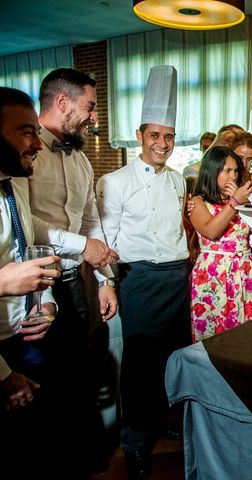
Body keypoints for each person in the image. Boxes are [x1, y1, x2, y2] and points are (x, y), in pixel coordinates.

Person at [14, 68, 118, 474]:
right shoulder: (23, 155)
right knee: (43, 382)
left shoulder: (80, 159)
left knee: (82, 373)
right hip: (35, 288)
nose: (93, 117)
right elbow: (28, 225)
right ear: (63, 103)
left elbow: (90, 220)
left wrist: (107, 279)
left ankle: (83, 459)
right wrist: (82, 246)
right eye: (89, 108)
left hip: (78, 283)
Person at [96, 66, 191, 479]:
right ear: (139, 136)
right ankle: (134, 443)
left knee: (174, 359)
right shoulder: (114, 182)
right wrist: (108, 283)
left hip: (177, 279)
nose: (162, 144)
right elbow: (103, 239)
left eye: (168, 136)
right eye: (154, 135)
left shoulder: (179, 182)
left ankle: (164, 421)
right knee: (139, 365)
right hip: (138, 280)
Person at [0, 86, 94, 476]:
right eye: (26, 131)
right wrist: (3, 376)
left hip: (26, 330)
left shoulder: (11, 181)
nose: (38, 143)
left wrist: (45, 300)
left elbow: (27, 239)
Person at [189, 146, 252, 341]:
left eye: (235, 171)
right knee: (215, 334)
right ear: (212, 170)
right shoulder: (199, 203)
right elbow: (211, 231)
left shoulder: (243, 202)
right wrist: (234, 203)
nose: (233, 176)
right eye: (227, 170)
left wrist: (244, 205)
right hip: (214, 274)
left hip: (244, 273)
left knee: (245, 334)